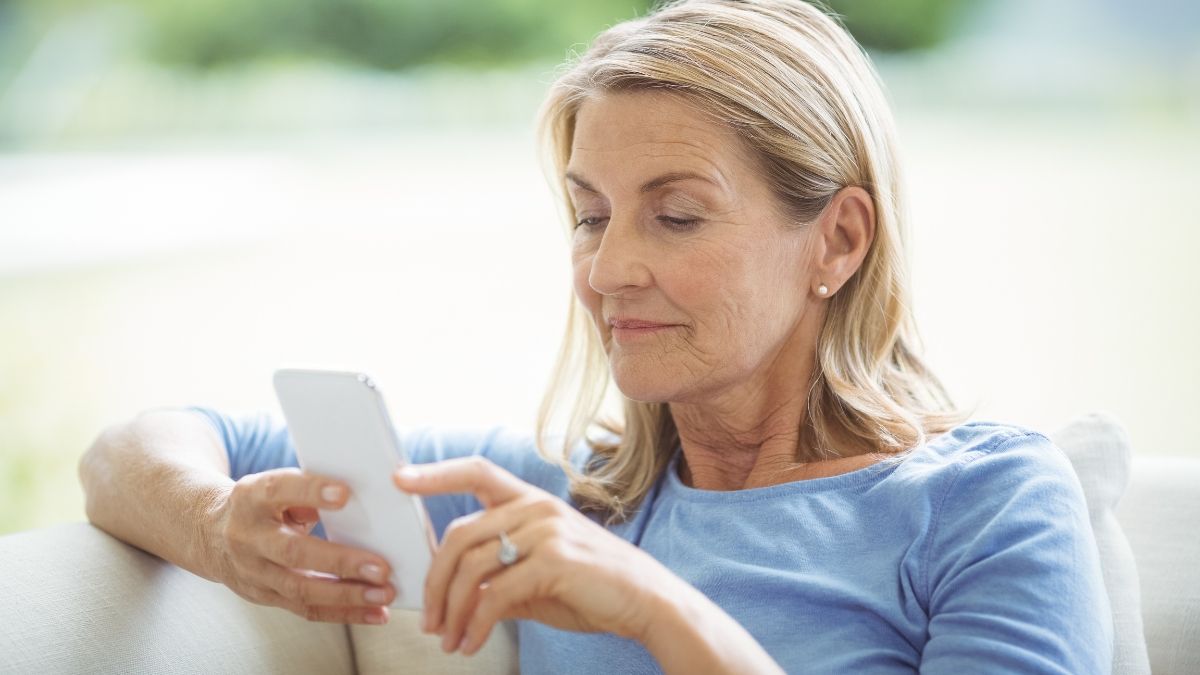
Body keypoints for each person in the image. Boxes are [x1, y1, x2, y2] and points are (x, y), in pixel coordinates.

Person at [78, 0, 1113, 672]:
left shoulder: (984, 502)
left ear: (835, 240)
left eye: (676, 214)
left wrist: (655, 612)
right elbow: (132, 449)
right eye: (589, 213)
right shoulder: (570, 495)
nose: (607, 268)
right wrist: (215, 528)